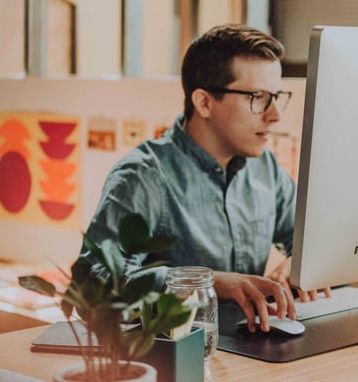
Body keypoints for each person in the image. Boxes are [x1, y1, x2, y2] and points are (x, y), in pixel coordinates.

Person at [80, 23, 326, 332]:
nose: (275, 114)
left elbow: (310, 240)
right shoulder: (142, 177)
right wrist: (206, 283)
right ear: (204, 102)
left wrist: (297, 267)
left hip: (250, 352)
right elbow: (94, 289)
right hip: (173, 364)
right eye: (258, 97)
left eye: (276, 96)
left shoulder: (265, 168)